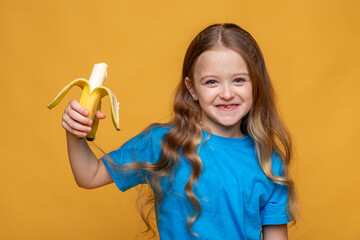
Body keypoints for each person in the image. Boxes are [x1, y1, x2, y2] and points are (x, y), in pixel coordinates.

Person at [61, 23, 299, 240]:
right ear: (192, 88)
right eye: (211, 82)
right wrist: (76, 132)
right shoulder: (163, 143)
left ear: (256, 84)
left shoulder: (269, 162)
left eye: (238, 80)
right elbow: (88, 175)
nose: (227, 94)